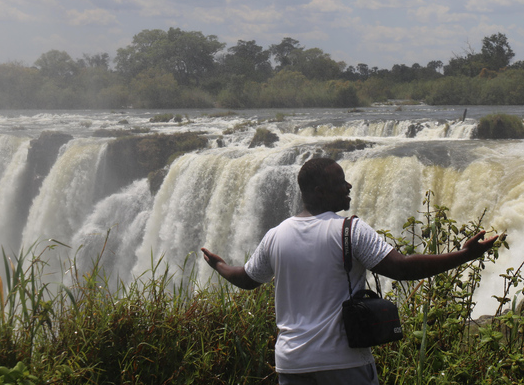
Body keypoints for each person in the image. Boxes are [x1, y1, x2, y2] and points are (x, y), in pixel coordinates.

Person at [201, 157, 498, 385]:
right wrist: (463, 255)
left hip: (292, 365)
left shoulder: (276, 235)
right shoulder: (348, 230)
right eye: (341, 182)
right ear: (320, 191)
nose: (349, 186)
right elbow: (401, 268)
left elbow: (246, 279)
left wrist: (219, 264)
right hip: (343, 363)